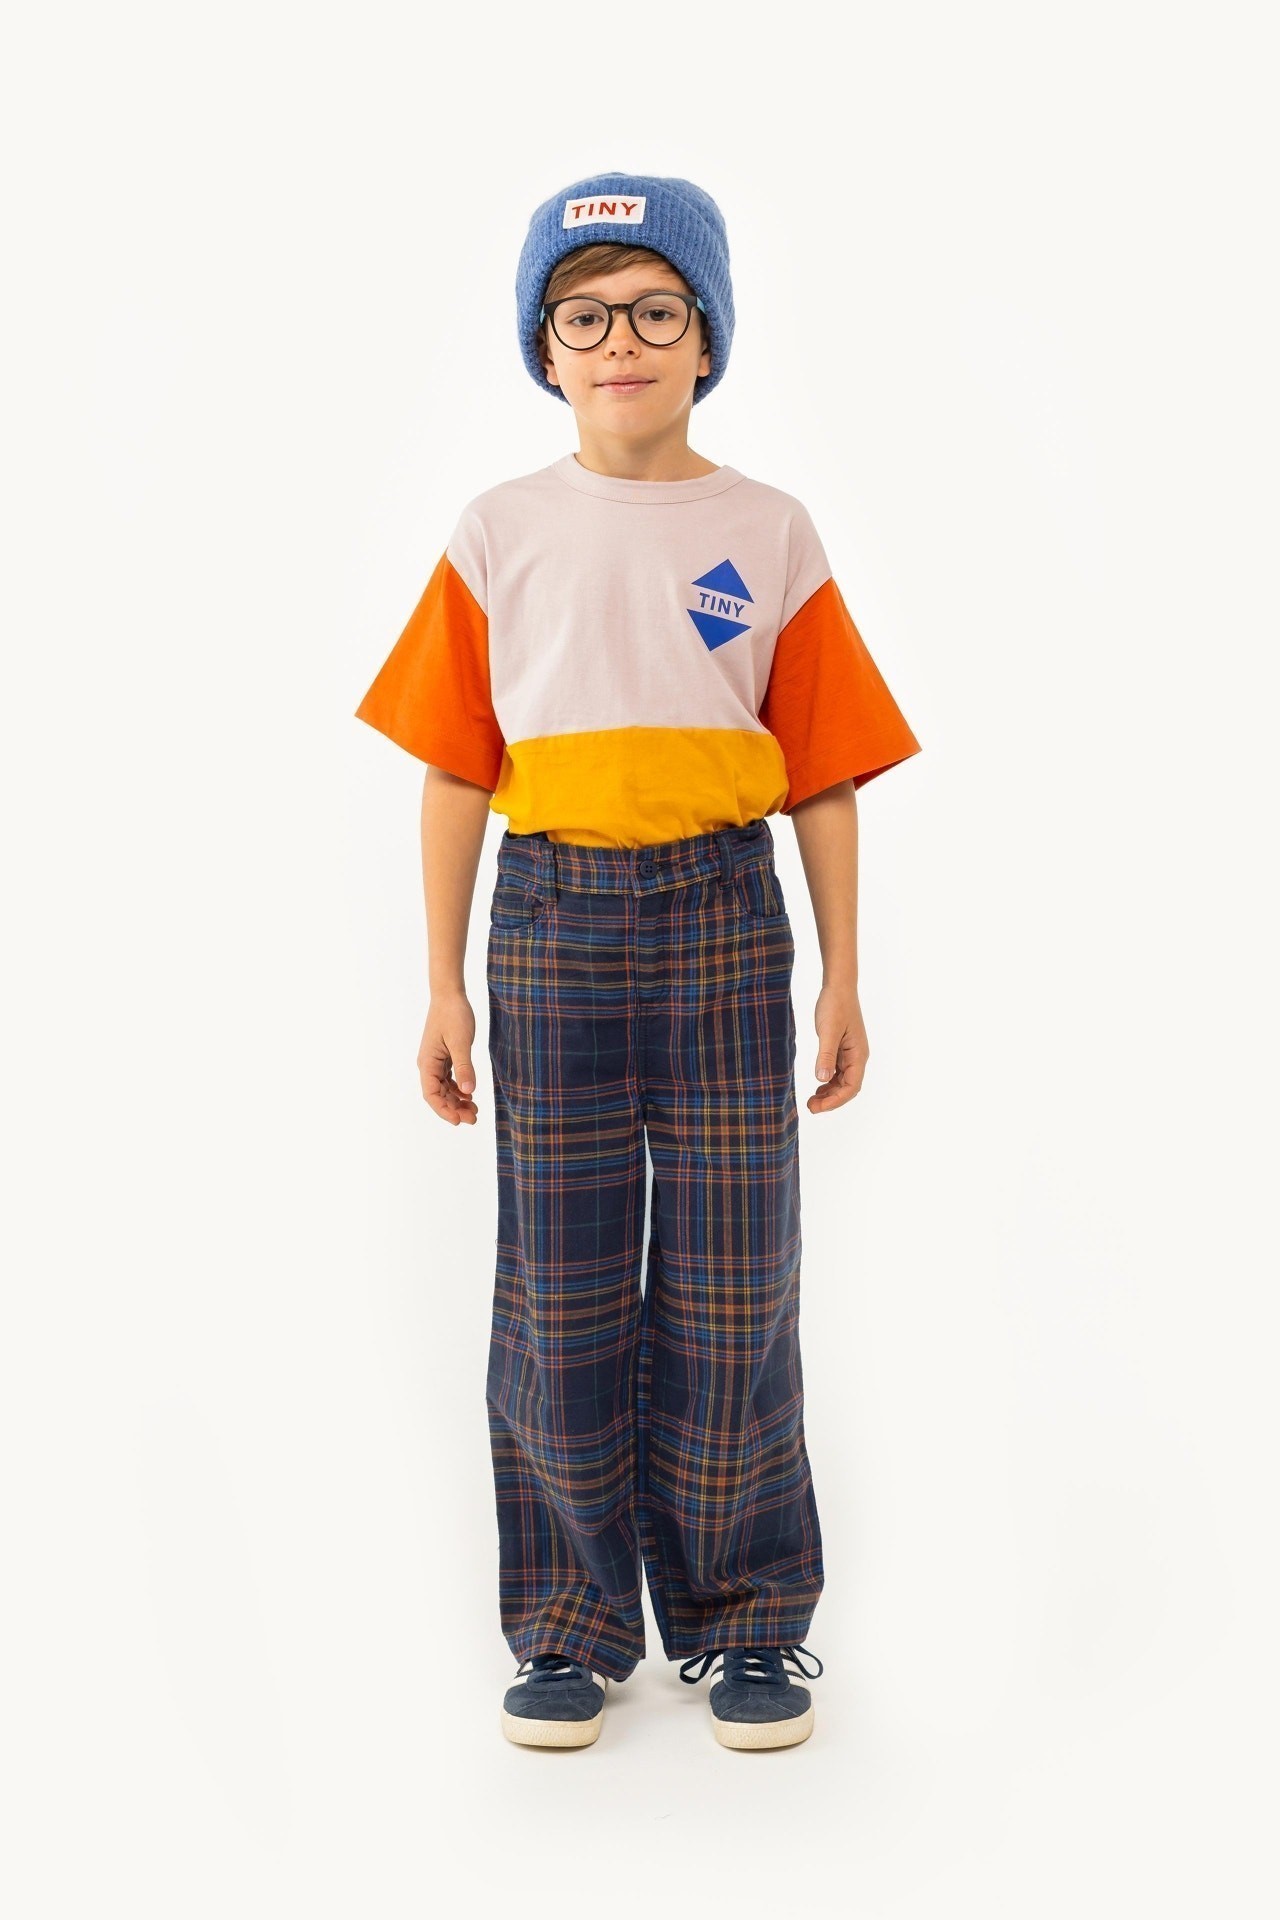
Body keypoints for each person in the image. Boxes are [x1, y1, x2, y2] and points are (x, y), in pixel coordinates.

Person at [354, 171, 922, 1751]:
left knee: (739, 1283)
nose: (621, 341)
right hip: (549, 923)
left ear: (707, 337)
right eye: (585, 314)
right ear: (543, 348)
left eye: (656, 310)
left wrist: (843, 974)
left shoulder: (769, 532)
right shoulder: (500, 532)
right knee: (563, 1280)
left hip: (726, 918)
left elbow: (822, 773)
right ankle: (571, 1623)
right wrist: (443, 982)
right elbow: (455, 769)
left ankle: (749, 1622)